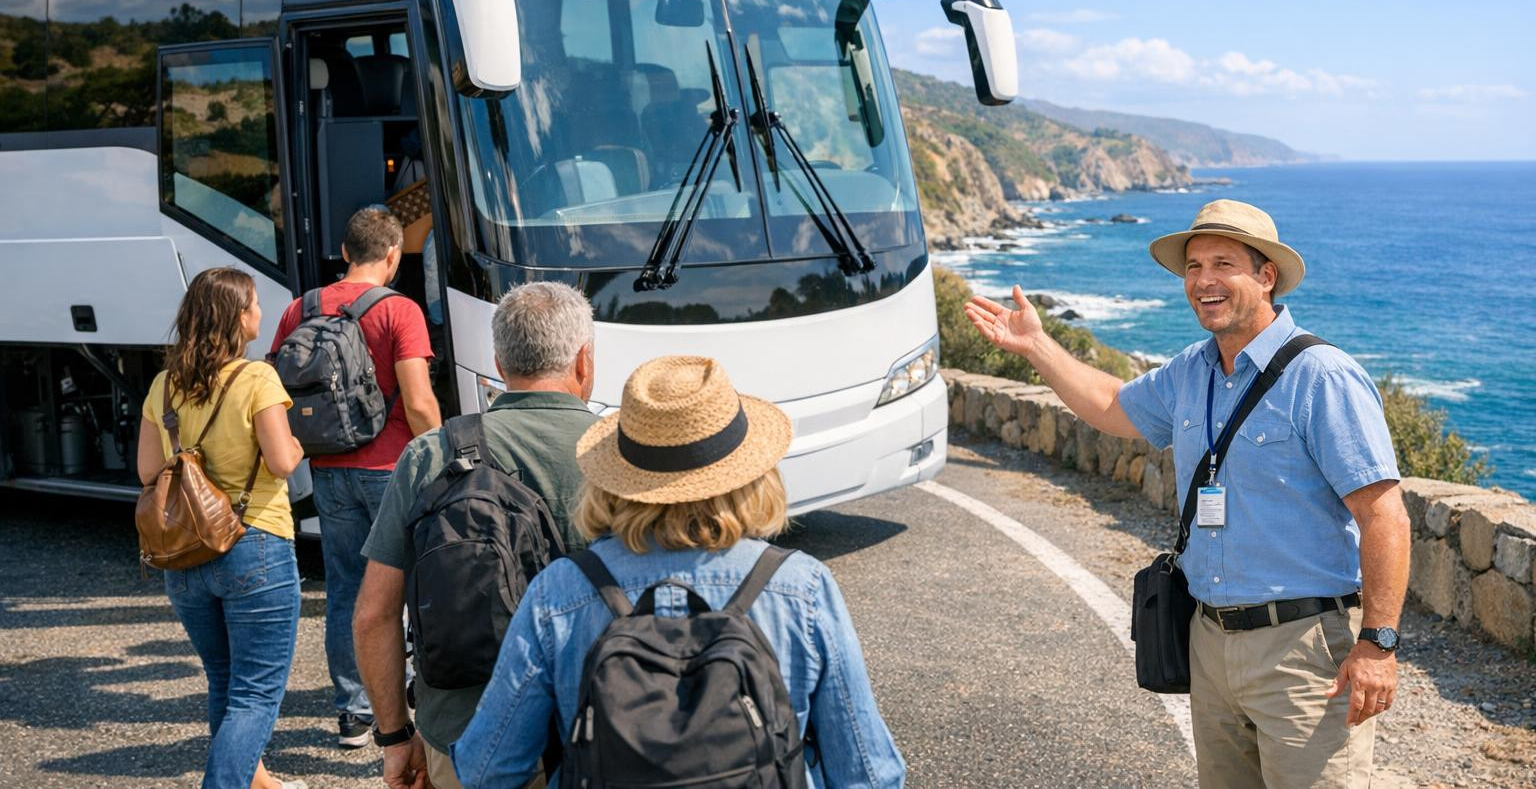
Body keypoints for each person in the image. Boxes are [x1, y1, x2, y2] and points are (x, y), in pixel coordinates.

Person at [965, 199, 1410, 788]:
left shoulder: (1321, 376)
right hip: (1208, 638)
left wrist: (1378, 645)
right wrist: (1038, 348)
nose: (1203, 281)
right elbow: (1111, 406)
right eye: (1193, 266)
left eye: (1222, 263)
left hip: (1301, 655)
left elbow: (1384, 515)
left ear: (1266, 276)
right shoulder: (1191, 369)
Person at [450, 354, 908, 789]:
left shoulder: (561, 590)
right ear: (751, 473)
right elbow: (868, 772)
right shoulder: (800, 587)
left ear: (617, 478)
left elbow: (488, 769)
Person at [354, 281, 600, 789]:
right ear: (584, 362)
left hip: (465, 736)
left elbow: (373, 615)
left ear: (499, 363)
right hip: (600, 728)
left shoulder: (432, 454)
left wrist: (397, 738)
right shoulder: (620, 454)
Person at [270, 207, 441, 749]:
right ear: (393, 255)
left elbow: (278, 388)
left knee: (345, 588)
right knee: (410, 587)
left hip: (327, 470)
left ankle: (354, 712)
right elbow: (417, 401)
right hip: (392, 470)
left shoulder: (302, 307)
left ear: (344, 252)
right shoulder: (401, 311)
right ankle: (412, 693)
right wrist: (442, 455)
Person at [137, 267, 308, 789]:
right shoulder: (257, 378)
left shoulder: (164, 385)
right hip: (255, 542)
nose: (261, 312)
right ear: (237, 317)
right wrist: (300, 442)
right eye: (254, 304)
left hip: (186, 554)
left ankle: (255, 780)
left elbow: (148, 473)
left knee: (225, 681)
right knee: (256, 693)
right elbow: (282, 462)